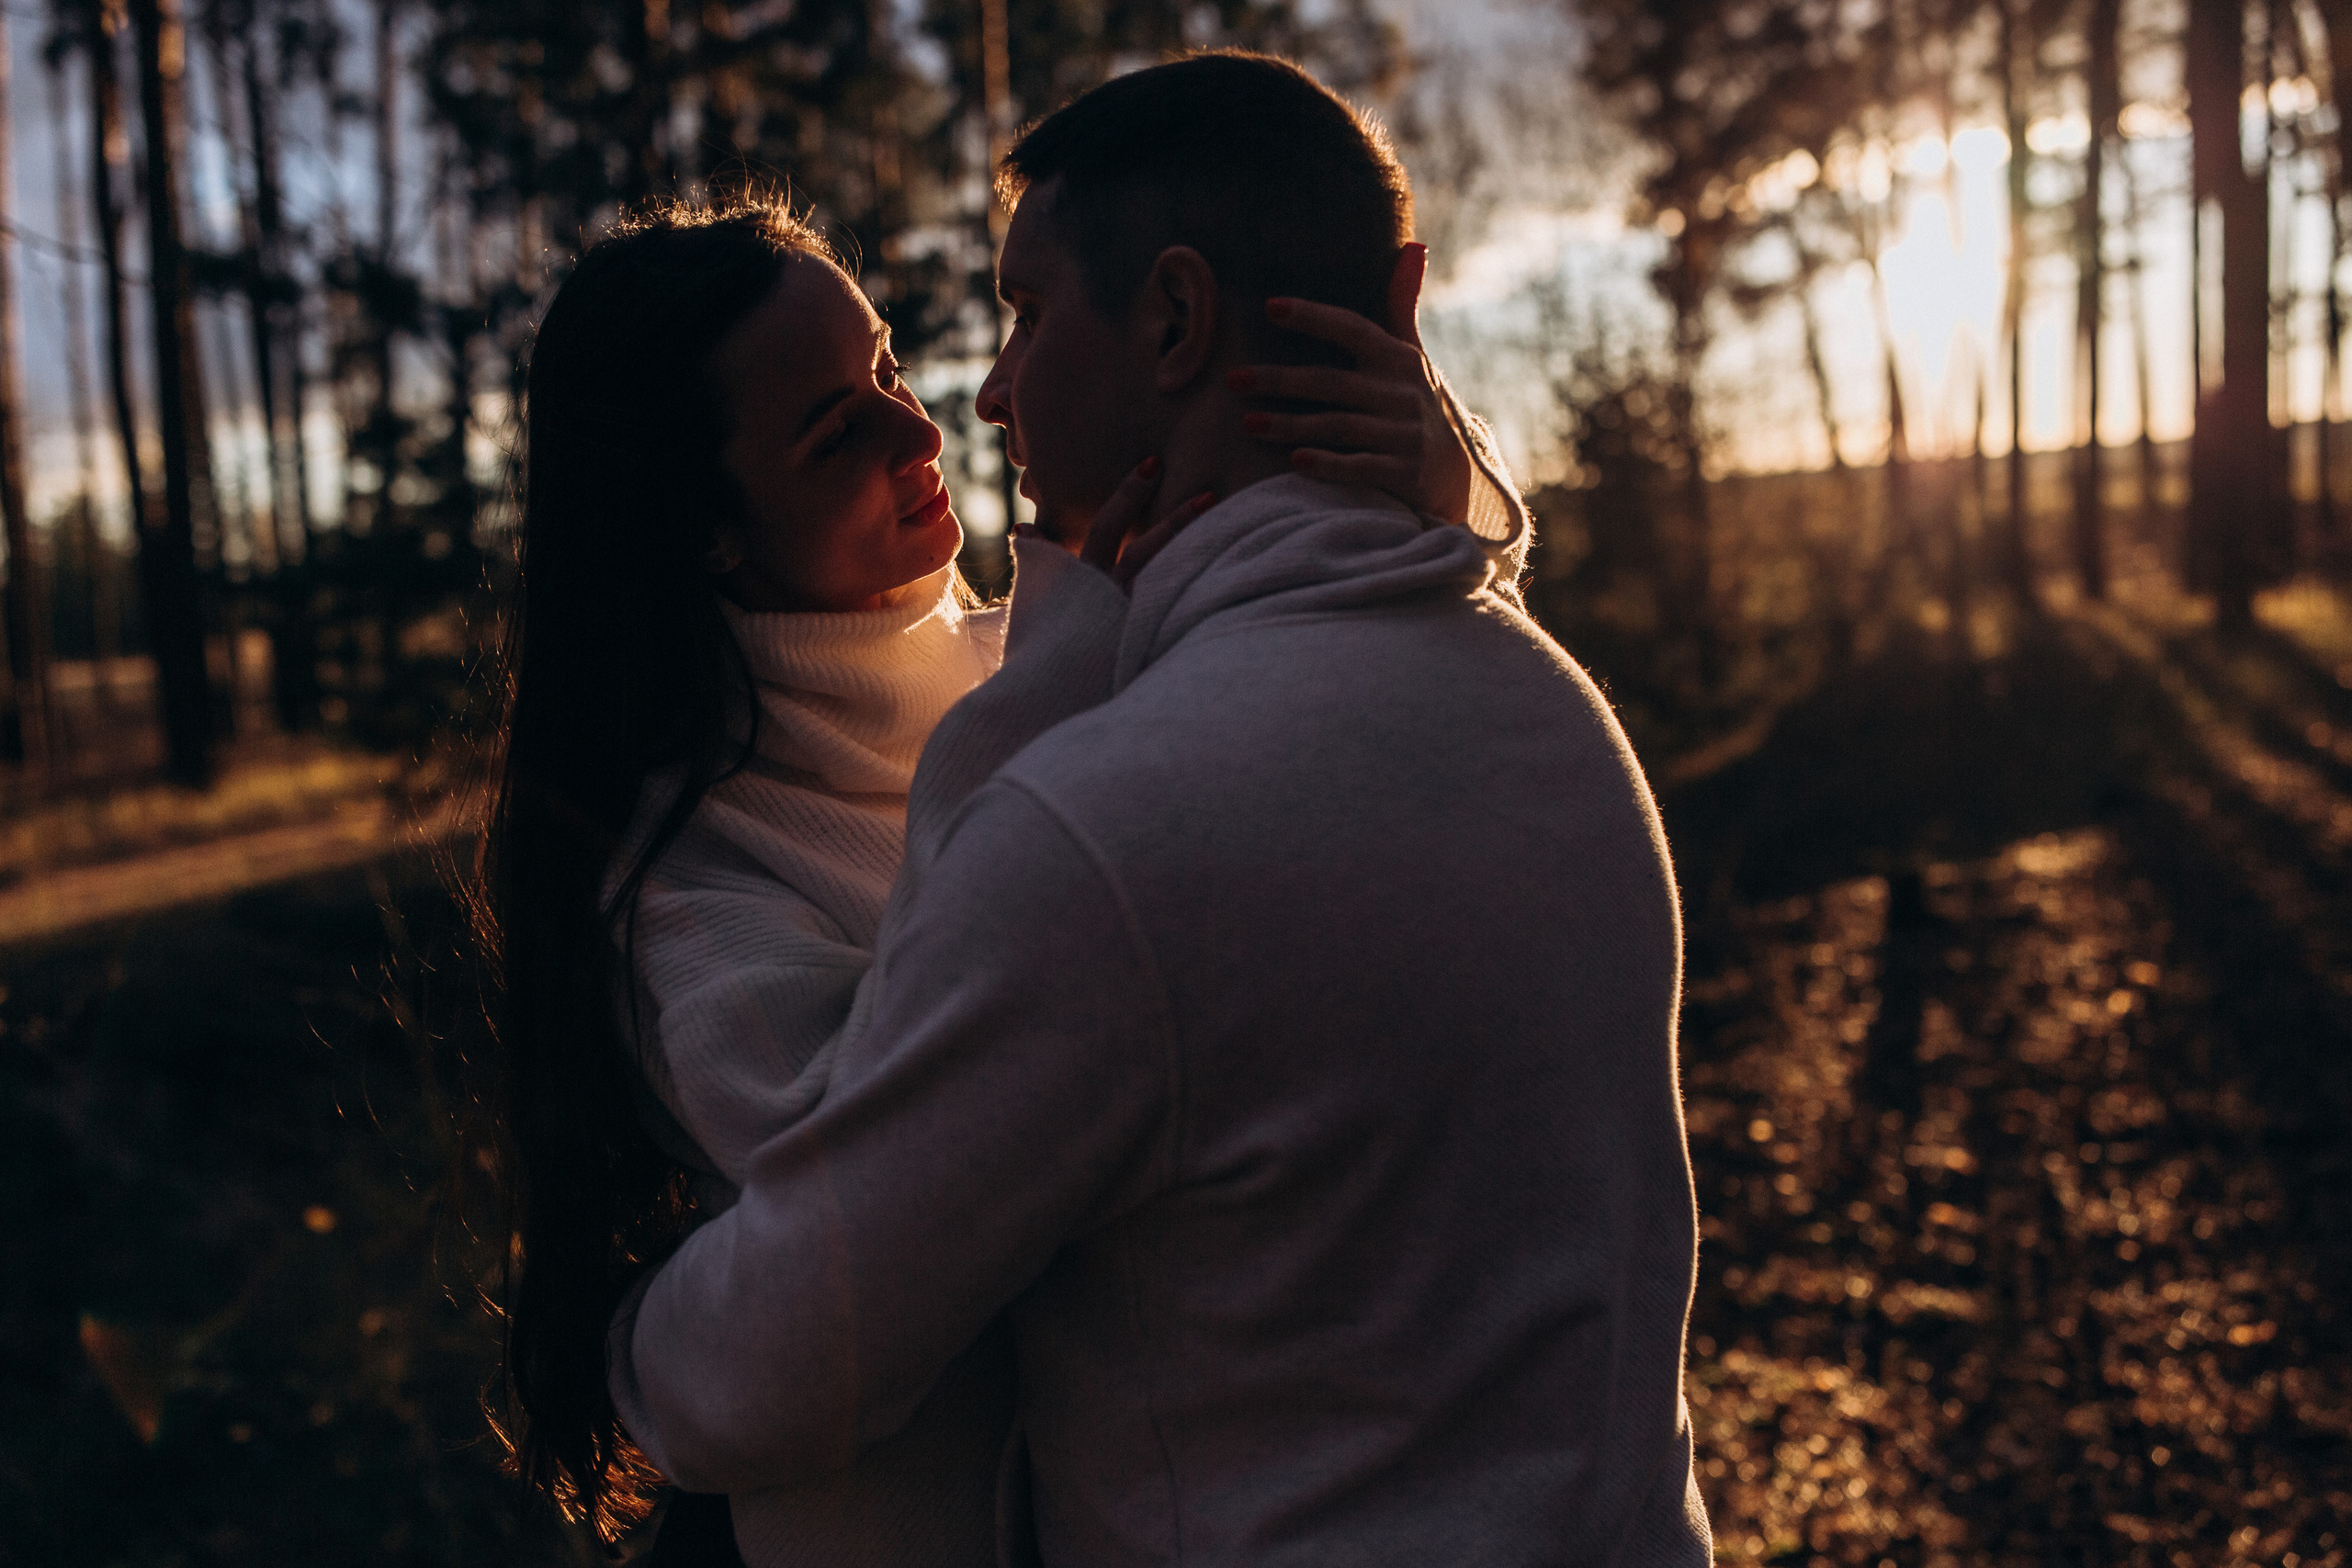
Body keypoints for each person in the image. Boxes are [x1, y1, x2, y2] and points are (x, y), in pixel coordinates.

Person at [613, 50, 1712, 1568]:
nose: (970, 402)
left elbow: (783, 1351)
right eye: (839, 423)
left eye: (1025, 315)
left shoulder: (1090, 829)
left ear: (1178, 320)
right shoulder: (1555, 714)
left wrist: (623, 1343)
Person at [477, 187, 1521, 1561]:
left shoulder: (1038, 643)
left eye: (889, 371)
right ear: (705, 534)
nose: (927, 431)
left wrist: (1438, 494)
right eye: (833, 430)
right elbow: (910, 1158)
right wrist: (668, 1362)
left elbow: (1370, 794)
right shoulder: (688, 881)